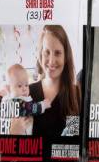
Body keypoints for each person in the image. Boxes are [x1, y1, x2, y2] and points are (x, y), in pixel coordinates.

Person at [29, 25, 81, 153]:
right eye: (47, 52)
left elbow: (73, 146)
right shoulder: (27, 93)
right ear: (40, 54)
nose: (51, 61)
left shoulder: (76, 95)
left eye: (57, 53)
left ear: (66, 56)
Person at [4, 64, 51, 136]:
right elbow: (30, 108)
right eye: (19, 86)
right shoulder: (16, 101)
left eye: (26, 85)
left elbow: (73, 137)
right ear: (9, 88)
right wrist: (43, 105)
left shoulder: (74, 93)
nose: (24, 88)